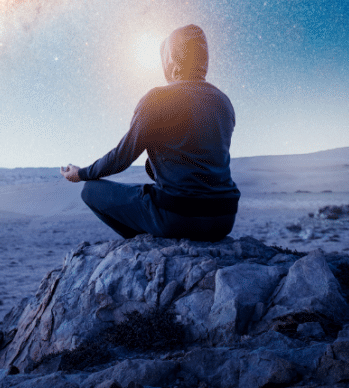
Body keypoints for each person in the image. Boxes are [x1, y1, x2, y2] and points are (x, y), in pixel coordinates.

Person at [61, 24, 239, 242]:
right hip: (224, 218)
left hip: (179, 217)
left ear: (172, 58)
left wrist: (80, 174)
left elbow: (122, 157)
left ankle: (146, 242)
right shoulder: (223, 102)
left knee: (90, 190)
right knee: (151, 168)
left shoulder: (158, 98)